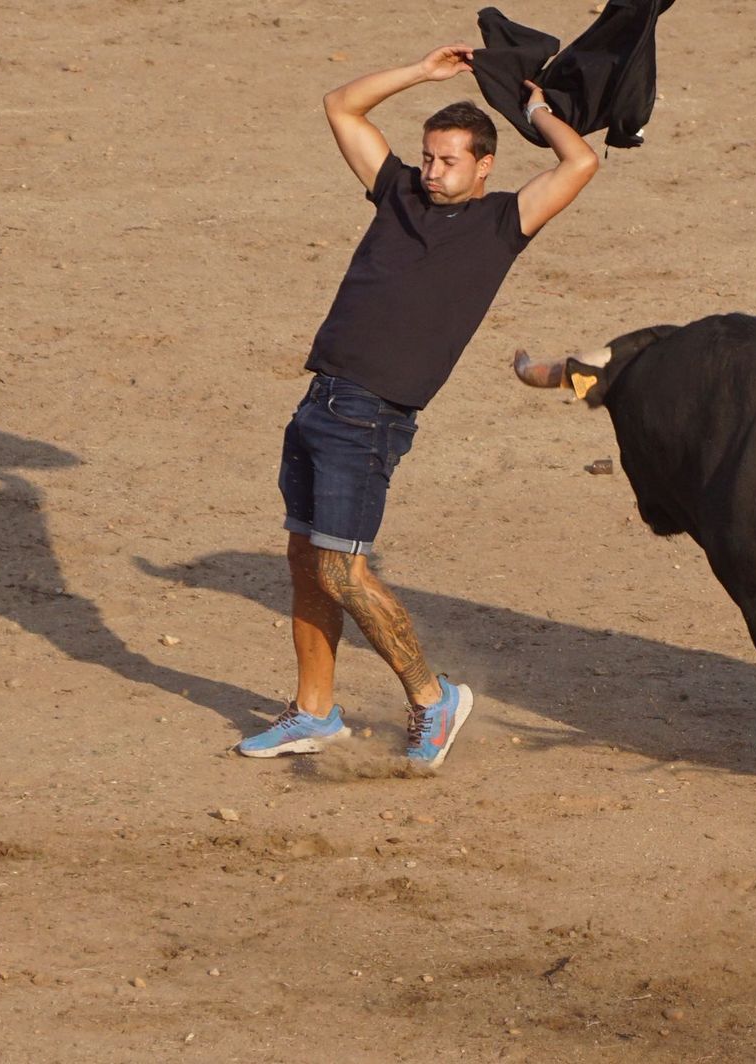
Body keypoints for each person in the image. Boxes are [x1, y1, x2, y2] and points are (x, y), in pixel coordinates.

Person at [238, 44, 598, 765]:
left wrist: (532, 111)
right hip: (320, 399)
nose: (432, 170)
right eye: (429, 156)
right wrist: (422, 74)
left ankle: (435, 698)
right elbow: (341, 105)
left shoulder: (504, 223)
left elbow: (581, 164)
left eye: (449, 160)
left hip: (372, 416)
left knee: (343, 570)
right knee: (306, 559)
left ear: (485, 164)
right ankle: (314, 712)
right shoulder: (397, 190)